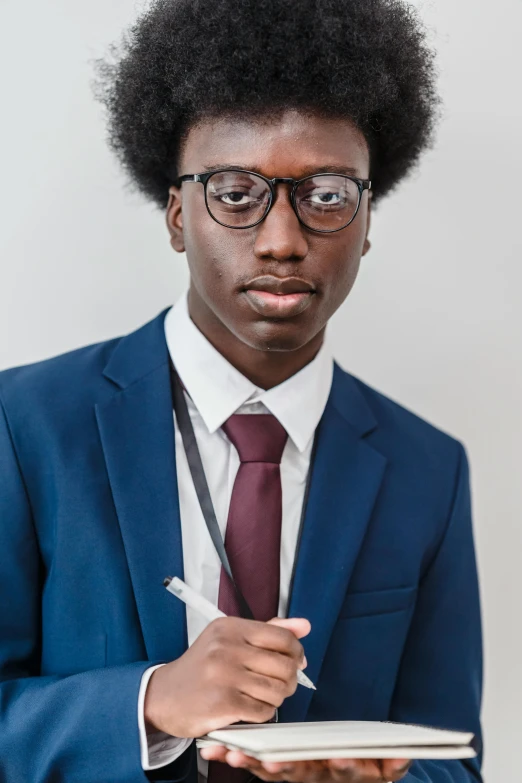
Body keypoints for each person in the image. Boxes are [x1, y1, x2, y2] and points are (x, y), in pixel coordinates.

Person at [0, 0, 483, 782]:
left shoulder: (428, 468)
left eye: (326, 195)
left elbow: (456, 757)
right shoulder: (24, 426)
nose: (282, 239)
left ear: (367, 221)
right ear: (176, 214)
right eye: (234, 191)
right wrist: (150, 702)